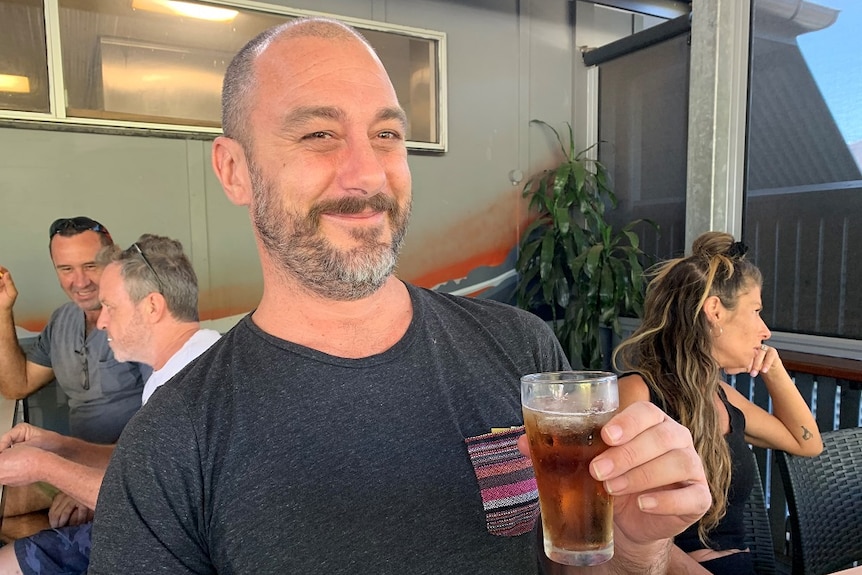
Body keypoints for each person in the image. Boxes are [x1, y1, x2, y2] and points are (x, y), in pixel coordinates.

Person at [88, 18, 711, 575]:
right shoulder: (171, 442)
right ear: (233, 170)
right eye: (318, 135)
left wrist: (632, 549)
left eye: (386, 134)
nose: (367, 174)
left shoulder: (520, 350)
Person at [0, 234, 221, 575]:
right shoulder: (175, 371)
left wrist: (43, 466)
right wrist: (57, 444)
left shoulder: (188, 391)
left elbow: (143, 504)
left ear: (152, 306)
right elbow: (133, 463)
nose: (101, 322)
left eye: (111, 307)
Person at [612, 231, 823, 575]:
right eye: (756, 311)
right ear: (715, 311)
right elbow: (609, 523)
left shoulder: (721, 396)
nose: (765, 330)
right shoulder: (639, 395)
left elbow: (807, 442)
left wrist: (775, 369)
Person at [0, 217, 149, 444]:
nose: (80, 282)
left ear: (115, 260)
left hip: (136, 460)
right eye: (66, 269)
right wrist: (3, 310)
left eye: (90, 266)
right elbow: (17, 386)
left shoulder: (143, 315)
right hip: (81, 456)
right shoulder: (62, 320)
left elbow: (170, 415)